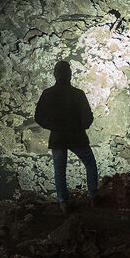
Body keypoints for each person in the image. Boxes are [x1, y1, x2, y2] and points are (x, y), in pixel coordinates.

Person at [34, 60, 98, 213]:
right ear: (70, 75)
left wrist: (53, 126)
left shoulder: (48, 93)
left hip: (58, 137)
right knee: (90, 163)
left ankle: (64, 203)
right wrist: (81, 126)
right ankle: (93, 196)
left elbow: (38, 117)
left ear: (55, 75)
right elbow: (88, 117)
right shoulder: (78, 94)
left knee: (59, 170)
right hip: (77, 136)